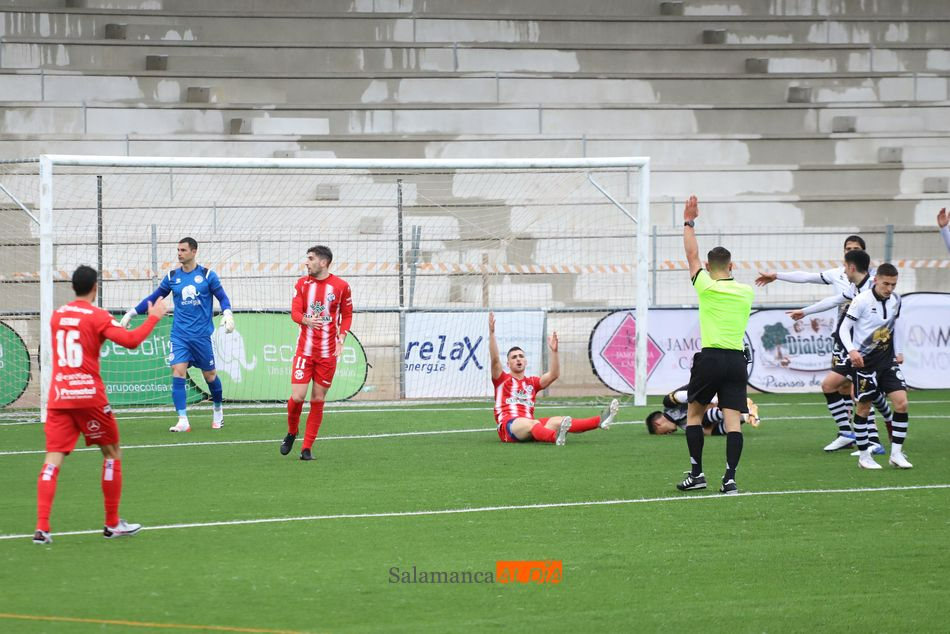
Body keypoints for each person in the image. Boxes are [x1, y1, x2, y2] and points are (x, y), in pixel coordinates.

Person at [34, 265, 168, 544]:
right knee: (111, 453)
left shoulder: (57, 316)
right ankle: (112, 523)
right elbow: (131, 341)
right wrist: (154, 317)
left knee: (52, 458)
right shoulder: (98, 316)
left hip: (59, 396)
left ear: (73, 287)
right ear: (96, 287)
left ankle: (42, 528)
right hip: (88, 396)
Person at [755, 235, 892, 447]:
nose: (850, 251)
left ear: (863, 255)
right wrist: (803, 308)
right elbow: (818, 286)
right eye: (848, 248)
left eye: (855, 248)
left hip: (863, 344)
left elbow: (890, 316)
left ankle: (873, 439)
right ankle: (848, 434)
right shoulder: (842, 276)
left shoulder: (875, 283)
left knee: (859, 389)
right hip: (844, 339)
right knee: (841, 387)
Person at [676, 195, 754, 495]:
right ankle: (730, 478)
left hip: (710, 359)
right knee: (733, 420)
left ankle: (697, 474)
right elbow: (699, 259)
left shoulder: (705, 286)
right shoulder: (746, 292)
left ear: (708, 266)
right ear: (732, 265)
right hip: (736, 361)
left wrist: (689, 221)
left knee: (694, 415)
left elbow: (690, 255)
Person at [119, 237, 234, 432]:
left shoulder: (207, 275)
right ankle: (183, 420)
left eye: (183, 250)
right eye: (178, 250)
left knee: (210, 376)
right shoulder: (172, 277)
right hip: (179, 335)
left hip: (201, 336)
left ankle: (217, 410)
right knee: (177, 372)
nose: (179, 253)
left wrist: (228, 313)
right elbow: (154, 297)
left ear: (194, 251)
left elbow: (222, 297)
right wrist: (131, 313)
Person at [489, 312, 617, 445]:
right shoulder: (502, 380)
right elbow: (495, 360)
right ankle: (554, 437)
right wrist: (492, 334)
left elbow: (554, 375)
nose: (518, 359)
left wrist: (554, 352)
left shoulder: (531, 382)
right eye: (514, 357)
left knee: (560, 420)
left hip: (531, 425)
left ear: (526, 361)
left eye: (521, 356)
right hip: (509, 427)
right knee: (532, 424)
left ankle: (600, 421)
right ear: (508, 364)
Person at [279, 245, 352, 461]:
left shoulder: (341, 286)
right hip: (305, 352)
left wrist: (342, 337)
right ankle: (292, 432)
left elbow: (347, 315)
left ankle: (307, 448)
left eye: (310, 259)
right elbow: (295, 312)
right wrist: (305, 319)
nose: (306, 262)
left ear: (323, 262)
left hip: (327, 354)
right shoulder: (302, 284)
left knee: (318, 399)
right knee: (298, 397)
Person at [837, 263, 912, 469]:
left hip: (887, 362)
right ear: (876, 280)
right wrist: (852, 350)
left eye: (893, 284)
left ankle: (896, 453)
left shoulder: (896, 300)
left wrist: (900, 351)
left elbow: (898, 324)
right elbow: (844, 329)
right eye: (886, 283)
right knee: (864, 407)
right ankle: (864, 457)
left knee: (902, 403)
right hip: (865, 364)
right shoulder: (861, 301)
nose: (889, 288)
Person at [645, 386, 760, 435]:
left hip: (711, 388)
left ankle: (739, 406)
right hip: (718, 405)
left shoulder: (668, 404)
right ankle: (745, 415)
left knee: (701, 418)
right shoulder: (683, 425)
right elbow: (707, 431)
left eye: (662, 433)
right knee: (706, 430)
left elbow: (686, 394)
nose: (667, 434)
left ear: (657, 424)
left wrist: (716, 400)